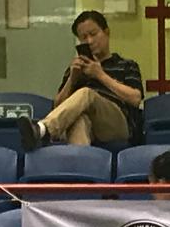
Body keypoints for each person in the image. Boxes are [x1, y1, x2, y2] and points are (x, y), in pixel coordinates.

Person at [18, 10, 143, 150]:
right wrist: (72, 79)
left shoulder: (126, 65)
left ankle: (44, 130)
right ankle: (80, 160)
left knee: (86, 93)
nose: (89, 41)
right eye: (84, 38)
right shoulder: (76, 70)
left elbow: (135, 99)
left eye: (93, 34)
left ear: (106, 32)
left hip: (115, 124)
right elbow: (57, 106)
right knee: (79, 121)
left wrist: (100, 75)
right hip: (87, 123)